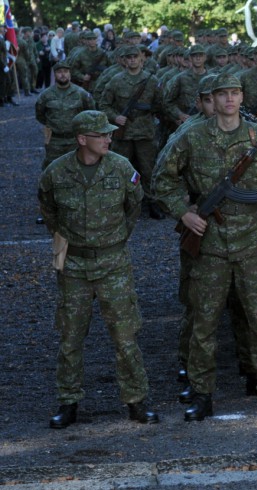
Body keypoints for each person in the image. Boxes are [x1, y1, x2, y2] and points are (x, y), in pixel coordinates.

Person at [153, 74, 257, 421]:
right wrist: (184, 213)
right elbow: (161, 179)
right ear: (212, 100)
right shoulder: (192, 136)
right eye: (222, 94)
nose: (229, 99)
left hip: (250, 243)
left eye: (235, 93)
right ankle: (202, 394)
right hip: (210, 242)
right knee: (204, 322)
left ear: (242, 97)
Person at [38, 110, 159, 429]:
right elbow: (49, 212)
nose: (108, 138)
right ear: (82, 139)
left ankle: (136, 400)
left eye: (109, 133)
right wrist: (67, 247)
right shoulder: (56, 172)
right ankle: (68, 401)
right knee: (70, 336)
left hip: (113, 262)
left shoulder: (122, 168)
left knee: (125, 336)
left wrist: (114, 239)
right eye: (101, 134)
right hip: (73, 264)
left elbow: (133, 206)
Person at [98, 45, 164, 219]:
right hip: (124, 133)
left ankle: (152, 202)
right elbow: (104, 104)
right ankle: (120, 203)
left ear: (141, 58)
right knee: (120, 169)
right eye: (129, 57)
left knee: (148, 169)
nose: (132, 60)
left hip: (145, 132)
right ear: (124, 60)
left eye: (135, 57)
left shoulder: (151, 80)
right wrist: (116, 117)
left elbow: (159, 104)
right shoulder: (116, 81)